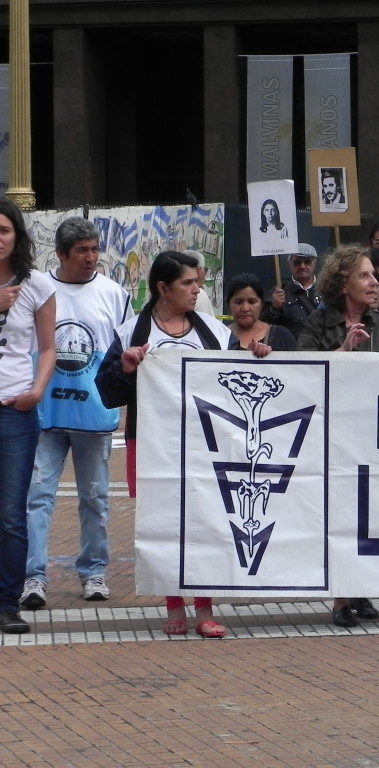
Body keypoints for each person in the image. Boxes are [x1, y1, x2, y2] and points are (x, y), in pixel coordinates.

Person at [96, 251, 270, 638]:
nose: (197, 290)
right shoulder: (131, 333)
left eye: (198, 283)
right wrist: (124, 368)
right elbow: (106, 393)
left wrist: (257, 358)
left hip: (206, 445)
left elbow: (238, 385)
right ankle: (173, 604)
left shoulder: (214, 332)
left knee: (207, 519)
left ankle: (205, 607)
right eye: (187, 284)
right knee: (161, 521)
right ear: (162, 288)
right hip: (151, 443)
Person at [21, 217, 131, 612]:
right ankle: (32, 576)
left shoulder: (115, 293)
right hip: (44, 412)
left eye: (95, 249)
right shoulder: (37, 287)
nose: (91, 258)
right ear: (62, 254)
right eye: (82, 250)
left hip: (95, 414)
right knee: (37, 497)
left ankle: (94, 570)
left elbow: (123, 353)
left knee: (96, 497)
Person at [297, 245, 379, 627]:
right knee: (338, 515)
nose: (374, 283)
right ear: (344, 283)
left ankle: (361, 588)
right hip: (331, 438)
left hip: (372, 437)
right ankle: (341, 598)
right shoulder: (318, 322)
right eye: (364, 276)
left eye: (375, 277)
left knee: (369, 514)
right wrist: (343, 350)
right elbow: (304, 374)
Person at [0, 200, 56, 634]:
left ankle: (7, 603)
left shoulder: (36, 285)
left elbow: (47, 347)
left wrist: (36, 391)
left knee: (12, 514)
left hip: (15, 412)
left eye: (3, 230)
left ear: (17, 235)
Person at [261, 243, 320, 337]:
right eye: (297, 262)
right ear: (290, 264)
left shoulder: (328, 291)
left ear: (314, 264)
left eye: (307, 262)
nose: (302, 266)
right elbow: (263, 327)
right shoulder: (279, 292)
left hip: (324, 350)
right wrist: (273, 309)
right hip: (290, 349)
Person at [227, 273, 297, 351]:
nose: (245, 308)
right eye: (238, 302)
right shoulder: (218, 337)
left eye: (252, 302)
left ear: (261, 305)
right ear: (228, 304)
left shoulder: (282, 336)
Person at [183, 250, 215, 315]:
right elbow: (207, 323)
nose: (197, 291)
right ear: (199, 270)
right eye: (205, 269)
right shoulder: (201, 295)